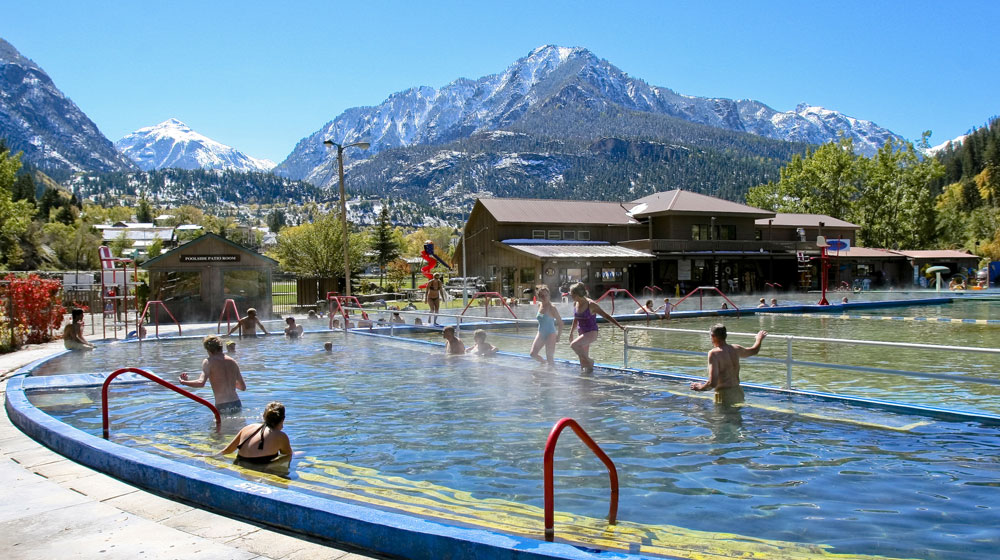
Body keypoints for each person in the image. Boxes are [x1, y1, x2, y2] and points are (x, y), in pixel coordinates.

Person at [691, 324, 767, 406]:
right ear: (725, 335)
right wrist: (759, 339)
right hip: (738, 392)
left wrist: (699, 387)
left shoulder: (714, 353)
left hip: (724, 396)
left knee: (721, 418)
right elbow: (754, 350)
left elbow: (712, 383)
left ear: (713, 336)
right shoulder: (736, 348)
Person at [178, 335, 247, 414]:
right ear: (221, 347)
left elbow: (201, 383)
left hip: (222, 404)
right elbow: (243, 387)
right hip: (236, 403)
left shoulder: (209, 362)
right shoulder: (232, 361)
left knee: (221, 426)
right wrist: (228, 382)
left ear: (208, 349)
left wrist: (183, 382)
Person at [568, 282, 623, 373]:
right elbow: (575, 319)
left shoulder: (591, 304)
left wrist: (619, 326)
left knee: (574, 345)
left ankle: (590, 361)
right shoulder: (576, 303)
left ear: (577, 294)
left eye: (571, 294)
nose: (570, 295)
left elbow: (606, 316)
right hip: (581, 332)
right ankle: (586, 380)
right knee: (583, 362)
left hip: (591, 332)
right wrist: (571, 333)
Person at [218, 401, 292, 465]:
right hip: (258, 468)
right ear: (283, 419)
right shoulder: (280, 436)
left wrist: (210, 456)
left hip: (239, 464)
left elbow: (227, 451)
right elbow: (287, 455)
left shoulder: (248, 428)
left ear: (264, 416)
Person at [529, 285, 562, 365]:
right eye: (542, 296)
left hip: (550, 333)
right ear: (539, 297)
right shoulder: (539, 305)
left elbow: (560, 322)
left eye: (546, 295)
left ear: (549, 295)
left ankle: (551, 375)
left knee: (550, 358)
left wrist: (558, 336)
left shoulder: (552, 308)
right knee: (533, 354)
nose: (544, 297)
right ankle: (543, 364)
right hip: (541, 332)